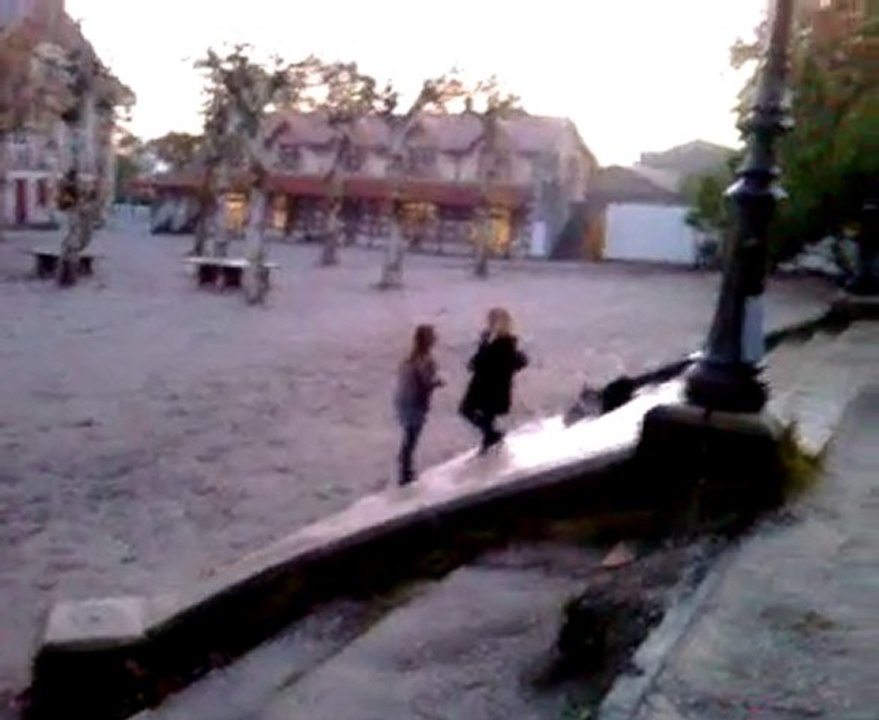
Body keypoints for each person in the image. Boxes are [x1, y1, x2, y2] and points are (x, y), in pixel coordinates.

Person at [460, 308, 528, 453]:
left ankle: (492, 437)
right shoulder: (503, 342)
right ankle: (490, 438)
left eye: (491, 321)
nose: (488, 324)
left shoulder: (501, 344)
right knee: (483, 416)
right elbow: (518, 362)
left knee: (467, 410)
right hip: (490, 388)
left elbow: (483, 361)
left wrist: (482, 345)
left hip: (487, 387)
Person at [393, 324, 444, 486]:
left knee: (409, 435)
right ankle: (405, 473)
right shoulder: (426, 360)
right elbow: (426, 382)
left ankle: (405, 469)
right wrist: (439, 382)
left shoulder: (409, 358)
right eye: (433, 336)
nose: (436, 338)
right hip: (415, 403)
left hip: (402, 400)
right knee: (411, 438)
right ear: (429, 340)